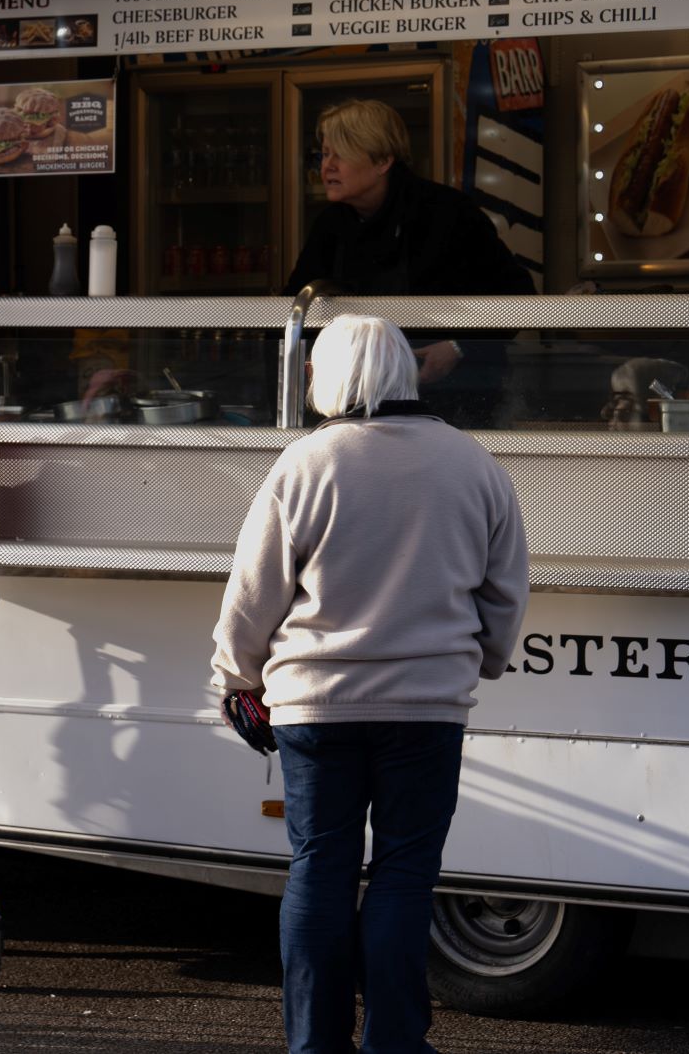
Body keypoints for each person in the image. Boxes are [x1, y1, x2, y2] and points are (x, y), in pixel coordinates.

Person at [210, 315, 529, 1054]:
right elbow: (505, 589)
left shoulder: (305, 464)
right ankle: (395, 1041)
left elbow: (253, 592)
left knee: (320, 867)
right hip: (427, 709)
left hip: (314, 708)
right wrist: (481, 658)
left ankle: (315, 1043)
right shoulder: (473, 464)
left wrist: (236, 677)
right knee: (404, 873)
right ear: (403, 370)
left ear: (335, 375)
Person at [284, 99, 533, 391]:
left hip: (456, 401)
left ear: (383, 162)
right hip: (360, 397)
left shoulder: (449, 214)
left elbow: (518, 295)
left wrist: (458, 347)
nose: (328, 167)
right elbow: (292, 306)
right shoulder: (330, 225)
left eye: (341, 154)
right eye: (325, 154)